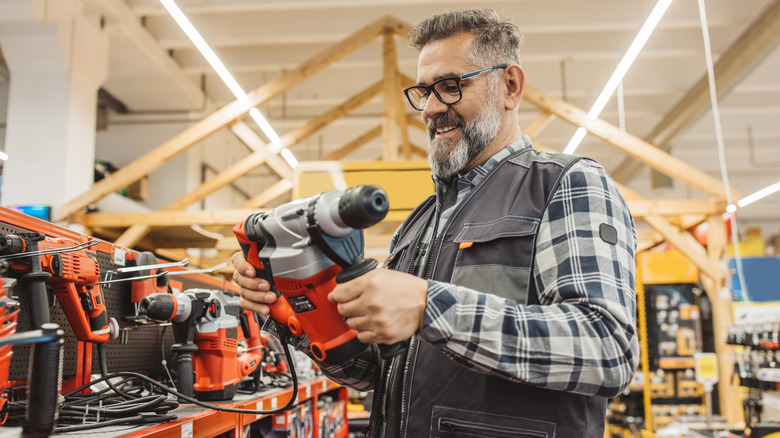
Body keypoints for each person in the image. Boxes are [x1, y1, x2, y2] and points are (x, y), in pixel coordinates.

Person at [233, 8, 638, 437]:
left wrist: (430, 306)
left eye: (449, 87)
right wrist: (295, 305)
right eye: (424, 92)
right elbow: (376, 374)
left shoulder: (564, 184)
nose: (430, 109)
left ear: (510, 85)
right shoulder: (419, 223)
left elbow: (606, 349)